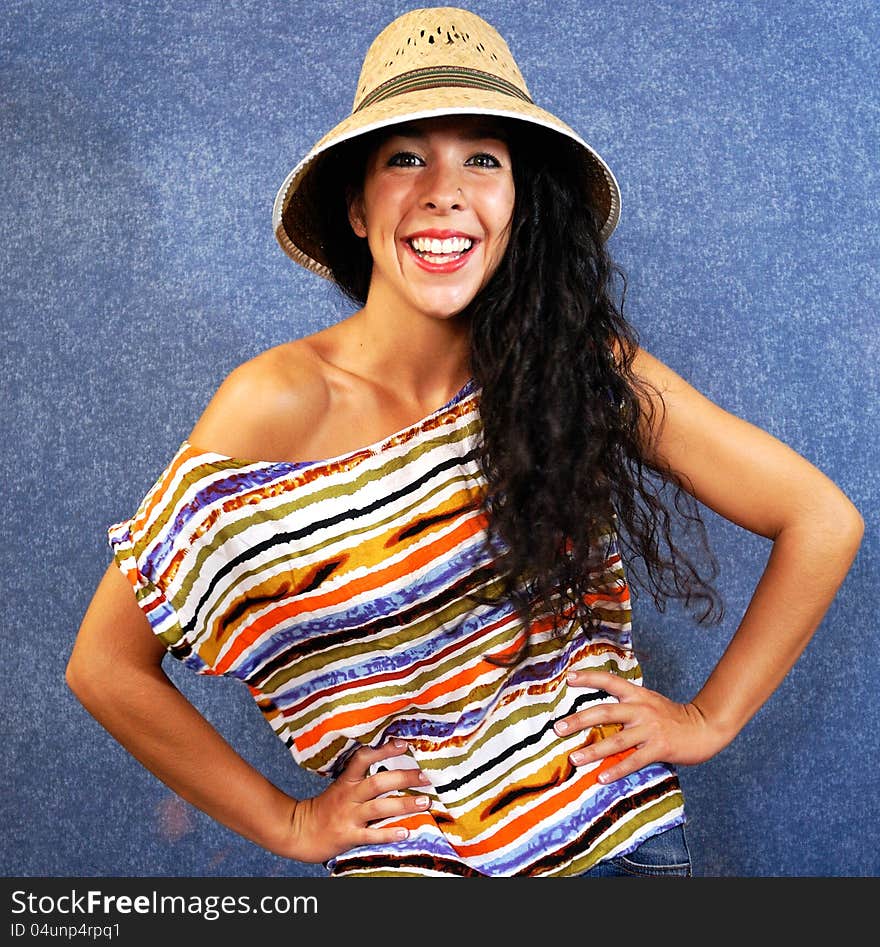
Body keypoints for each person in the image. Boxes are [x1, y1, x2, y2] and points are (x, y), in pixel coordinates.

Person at [66, 7, 863, 878]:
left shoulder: (573, 365)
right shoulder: (274, 403)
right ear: (359, 209)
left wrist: (706, 721)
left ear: (519, 205)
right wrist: (291, 822)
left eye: (483, 158)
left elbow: (820, 517)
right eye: (405, 157)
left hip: (620, 853)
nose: (444, 190)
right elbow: (106, 665)